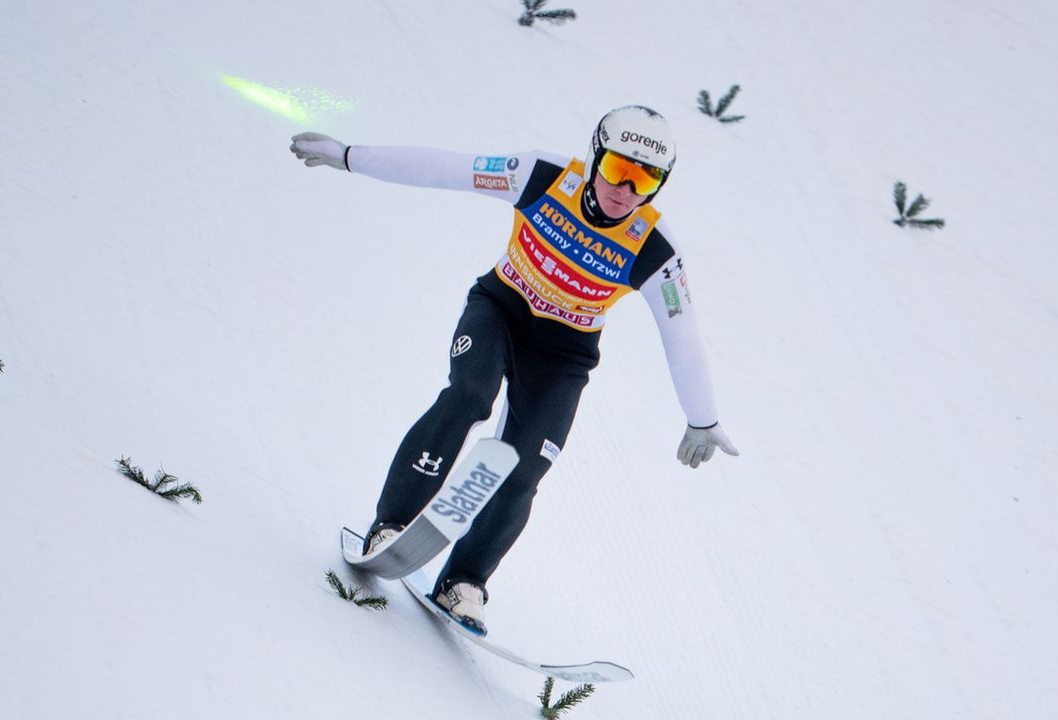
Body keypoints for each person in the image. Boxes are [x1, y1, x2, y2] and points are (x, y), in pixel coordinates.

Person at [291, 105, 738, 635]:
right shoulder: (542, 177)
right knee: (469, 396)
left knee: (526, 467)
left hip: (563, 357)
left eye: (645, 180)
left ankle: (465, 582)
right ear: (597, 157)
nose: (626, 189)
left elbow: (682, 337)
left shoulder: (657, 252)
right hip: (499, 311)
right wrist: (349, 158)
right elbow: (444, 169)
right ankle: (390, 526)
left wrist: (702, 419)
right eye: (618, 169)